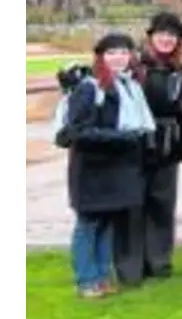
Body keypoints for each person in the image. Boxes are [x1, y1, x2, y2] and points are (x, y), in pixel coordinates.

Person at [57, 33, 152, 298]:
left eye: (123, 52)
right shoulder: (90, 88)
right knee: (88, 224)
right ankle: (86, 279)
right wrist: (120, 137)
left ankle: (101, 275)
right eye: (111, 53)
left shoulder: (129, 86)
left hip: (116, 168)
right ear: (101, 57)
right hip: (92, 169)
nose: (118, 57)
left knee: (108, 223)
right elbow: (77, 131)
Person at [114, 12, 182, 285]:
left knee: (161, 203)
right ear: (151, 37)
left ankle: (159, 261)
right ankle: (131, 265)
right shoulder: (135, 68)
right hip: (136, 141)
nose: (166, 40)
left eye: (172, 35)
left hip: (168, 141)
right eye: (162, 34)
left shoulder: (179, 69)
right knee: (134, 204)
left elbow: (180, 109)